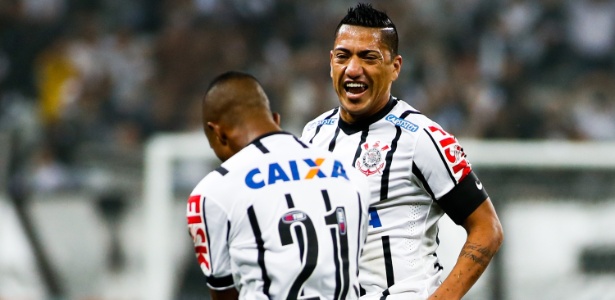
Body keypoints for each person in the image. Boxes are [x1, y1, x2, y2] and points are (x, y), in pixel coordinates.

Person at [300, 3, 504, 300]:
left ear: (394, 67)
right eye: (343, 56)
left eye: (368, 57)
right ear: (331, 61)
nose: (353, 69)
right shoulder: (313, 134)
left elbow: (487, 228)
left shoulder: (421, 138)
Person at [186, 71, 373, 300]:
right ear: (275, 119)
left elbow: (224, 294)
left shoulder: (211, 194)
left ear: (218, 134)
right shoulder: (352, 175)